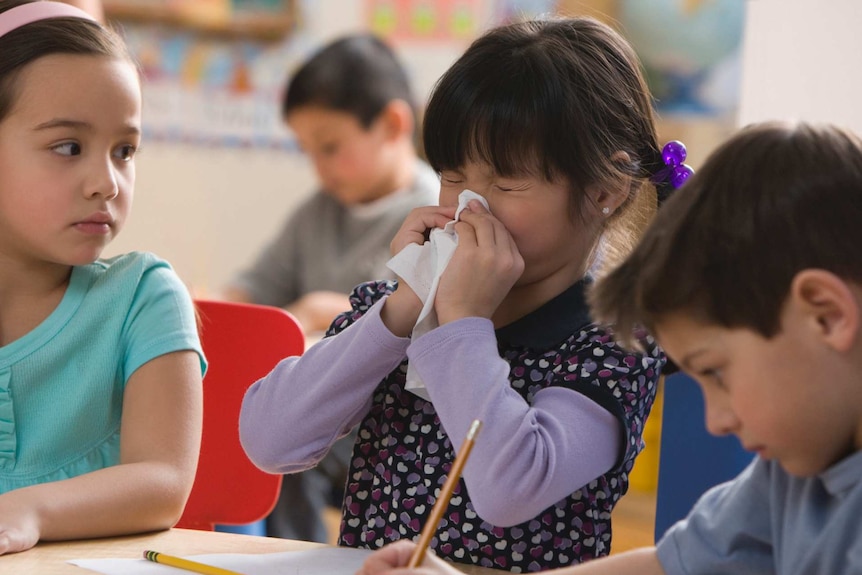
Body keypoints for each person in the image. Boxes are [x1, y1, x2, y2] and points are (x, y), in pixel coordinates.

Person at [240, 16, 677, 572]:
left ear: (606, 190)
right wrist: (400, 309)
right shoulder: (401, 306)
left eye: (507, 182)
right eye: (452, 175)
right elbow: (269, 442)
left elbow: (509, 489)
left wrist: (463, 326)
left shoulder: (612, 339)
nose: (471, 205)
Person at [354, 121, 862, 575]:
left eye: (718, 374)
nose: (717, 422)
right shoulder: (795, 472)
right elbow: (667, 566)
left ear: (827, 314)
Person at [0, 0, 204, 556]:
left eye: (125, 151)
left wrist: (28, 509)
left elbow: (163, 481)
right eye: (68, 147)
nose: (107, 182)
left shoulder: (144, 295)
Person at [224, 33, 438, 543]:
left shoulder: (430, 209)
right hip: (317, 394)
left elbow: (405, 320)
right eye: (307, 150)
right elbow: (255, 288)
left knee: (289, 449)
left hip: (386, 411)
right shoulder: (318, 211)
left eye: (330, 147)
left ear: (392, 125)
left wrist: (323, 311)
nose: (317, 167)